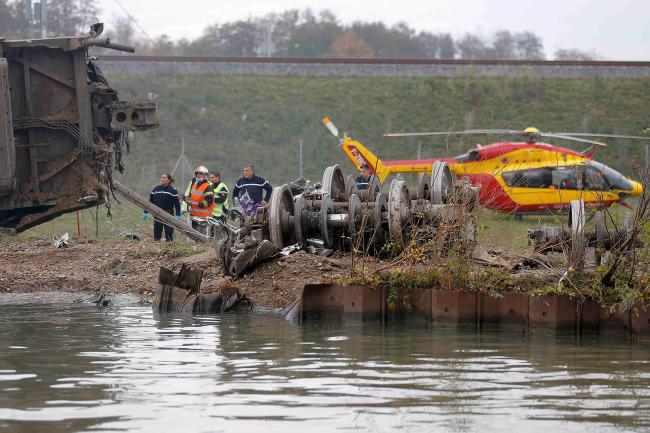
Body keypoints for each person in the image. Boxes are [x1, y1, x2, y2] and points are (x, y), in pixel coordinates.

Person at [145, 173, 181, 242]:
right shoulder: (156, 189)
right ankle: (156, 246)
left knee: (169, 233)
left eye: (164, 178)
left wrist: (177, 214)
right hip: (157, 214)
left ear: (169, 180)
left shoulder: (172, 190)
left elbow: (177, 204)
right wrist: (146, 212)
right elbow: (150, 202)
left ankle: (169, 247)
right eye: (161, 177)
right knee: (157, 234)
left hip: (168, 214)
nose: (162, 179)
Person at [184, 166, 214, 237]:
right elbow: (191, 196)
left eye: (201, 173)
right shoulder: (194, 185)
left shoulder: (208, 186)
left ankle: (202, 248)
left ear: (205, 175)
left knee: (202, 238)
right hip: (194, 215)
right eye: (197, 173)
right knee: (195, 236)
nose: (198, 175)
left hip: (203, 216)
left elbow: (209, 201)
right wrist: (186, 199)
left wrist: (197, 204)